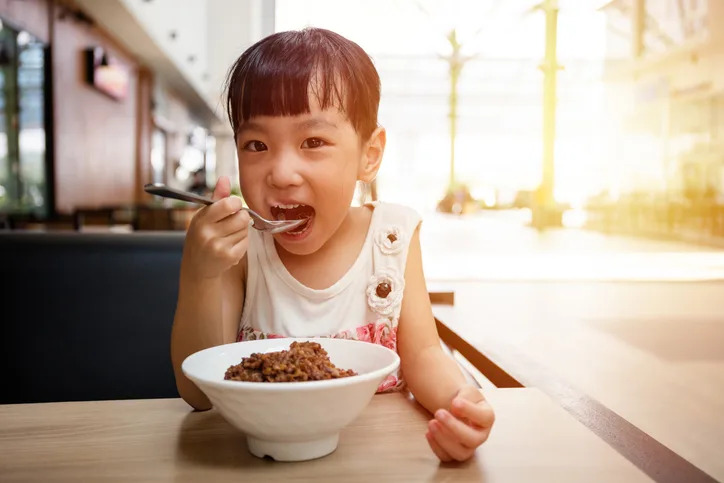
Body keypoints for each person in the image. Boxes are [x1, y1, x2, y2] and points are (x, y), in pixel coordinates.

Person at [170, 27, 495, 462]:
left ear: (369, 154)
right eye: (257, 144)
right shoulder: (242, 247)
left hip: (375, 459)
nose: (282, 172)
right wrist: (200, 272)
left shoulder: (392, 237)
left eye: (313, 142)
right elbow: (199, 393)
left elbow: (422, 355)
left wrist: (460, 404)